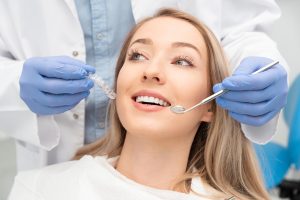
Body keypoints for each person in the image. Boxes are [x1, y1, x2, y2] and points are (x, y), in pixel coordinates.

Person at [9, 9, 269, 200]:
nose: (151, 70)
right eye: (137, 55)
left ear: (210, 106)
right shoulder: (39, 189)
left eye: (181, 61)